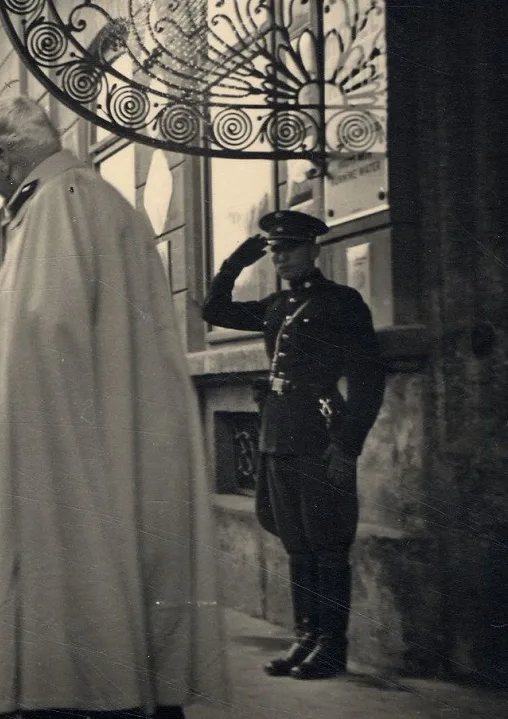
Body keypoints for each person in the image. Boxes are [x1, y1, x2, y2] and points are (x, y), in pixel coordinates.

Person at [0, 97, 227, 719]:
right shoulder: (109, 202)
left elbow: (39, 336)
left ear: (3, 158)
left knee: (80, 611)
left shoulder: (56, 206)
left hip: (70, 449)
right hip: (121, 432)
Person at [202, 209, 386, 680]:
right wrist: (235, 263)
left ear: (313, 249)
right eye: (275, 250)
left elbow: (367, 378)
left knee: (327, 544)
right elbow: (213, 310)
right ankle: (305, 636)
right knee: (297, 544)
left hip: (319, 434)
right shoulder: (277, 307)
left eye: (290, 248)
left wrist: (348, 446)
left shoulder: (342, 303)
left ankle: (331, 646)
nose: (282, 258)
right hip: (278, 433)